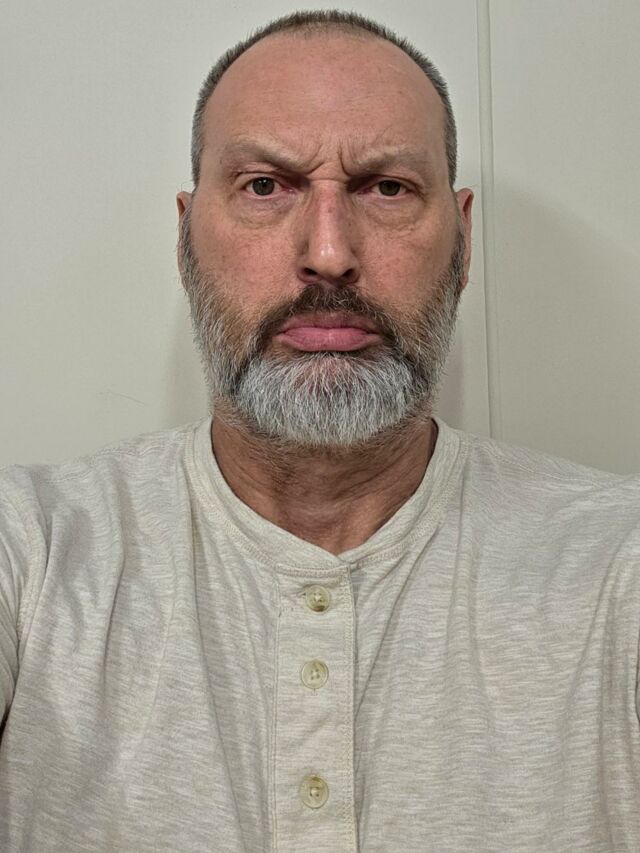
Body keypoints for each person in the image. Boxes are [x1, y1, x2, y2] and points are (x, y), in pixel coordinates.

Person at [0, 8, 638, 852]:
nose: (330, 253)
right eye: (266, 186)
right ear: (186, 239)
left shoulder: (617, 563)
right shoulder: (35, 548)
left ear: (463, 240)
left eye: (387, 188)